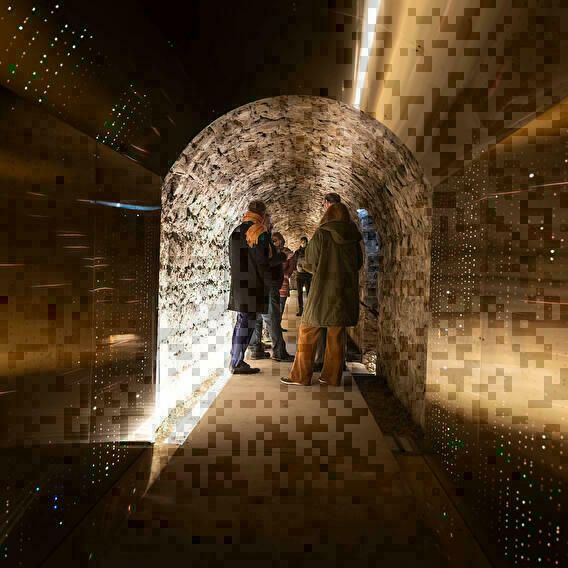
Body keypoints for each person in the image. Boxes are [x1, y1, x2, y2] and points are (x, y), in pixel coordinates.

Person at [281, 202, 363, 386]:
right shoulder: (353, 236)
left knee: (307, 330)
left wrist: (320, 269)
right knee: (337, 333)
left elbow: (310, 262)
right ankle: (331, 377)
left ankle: (301, 376)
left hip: (323, 290)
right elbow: (358, 263)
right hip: (344, 290)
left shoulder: (322, 234)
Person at [227, 200, 272, 374]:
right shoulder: (259, 232)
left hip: (239, 284)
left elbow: (231, 258)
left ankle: (236, 359)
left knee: (242, 322)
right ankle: (237, 363)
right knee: (247, 324)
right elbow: (262, 261)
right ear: (262, 214)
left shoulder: (236, 231)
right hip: (253, 285)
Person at [248, 220, 295, 363]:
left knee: (259, 318)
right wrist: (283, 257)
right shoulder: (263, 239)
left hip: (260, 283)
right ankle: (278, 352)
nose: (271, 224)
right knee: (272, 319)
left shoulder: (254, 237)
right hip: (267, 285)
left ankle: (256, 349)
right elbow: (267, 262)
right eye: (269, 221)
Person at [275, 232, 296, 330]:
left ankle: (277, 327)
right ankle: (273, 328)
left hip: (283, 282)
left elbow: (292, 265)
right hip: (273, 283)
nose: (274, 242)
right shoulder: (271, 251)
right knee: (273, 308)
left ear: (281, 241)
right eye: (273, 240)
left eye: (275, 240)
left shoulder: (286, 251)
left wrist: (286, 275)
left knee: (281, 306)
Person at [294, 236, 311, 316]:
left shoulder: (310, 252)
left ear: (307, 243)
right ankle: (301, 310)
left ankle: (309, 311)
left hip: (308, 275)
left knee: (308, 293)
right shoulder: (297, 252)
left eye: (304, 242)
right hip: (299, 275)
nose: (303, 244)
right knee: (299, 293)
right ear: (300, 243)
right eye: (302, 242)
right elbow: (294, 261)